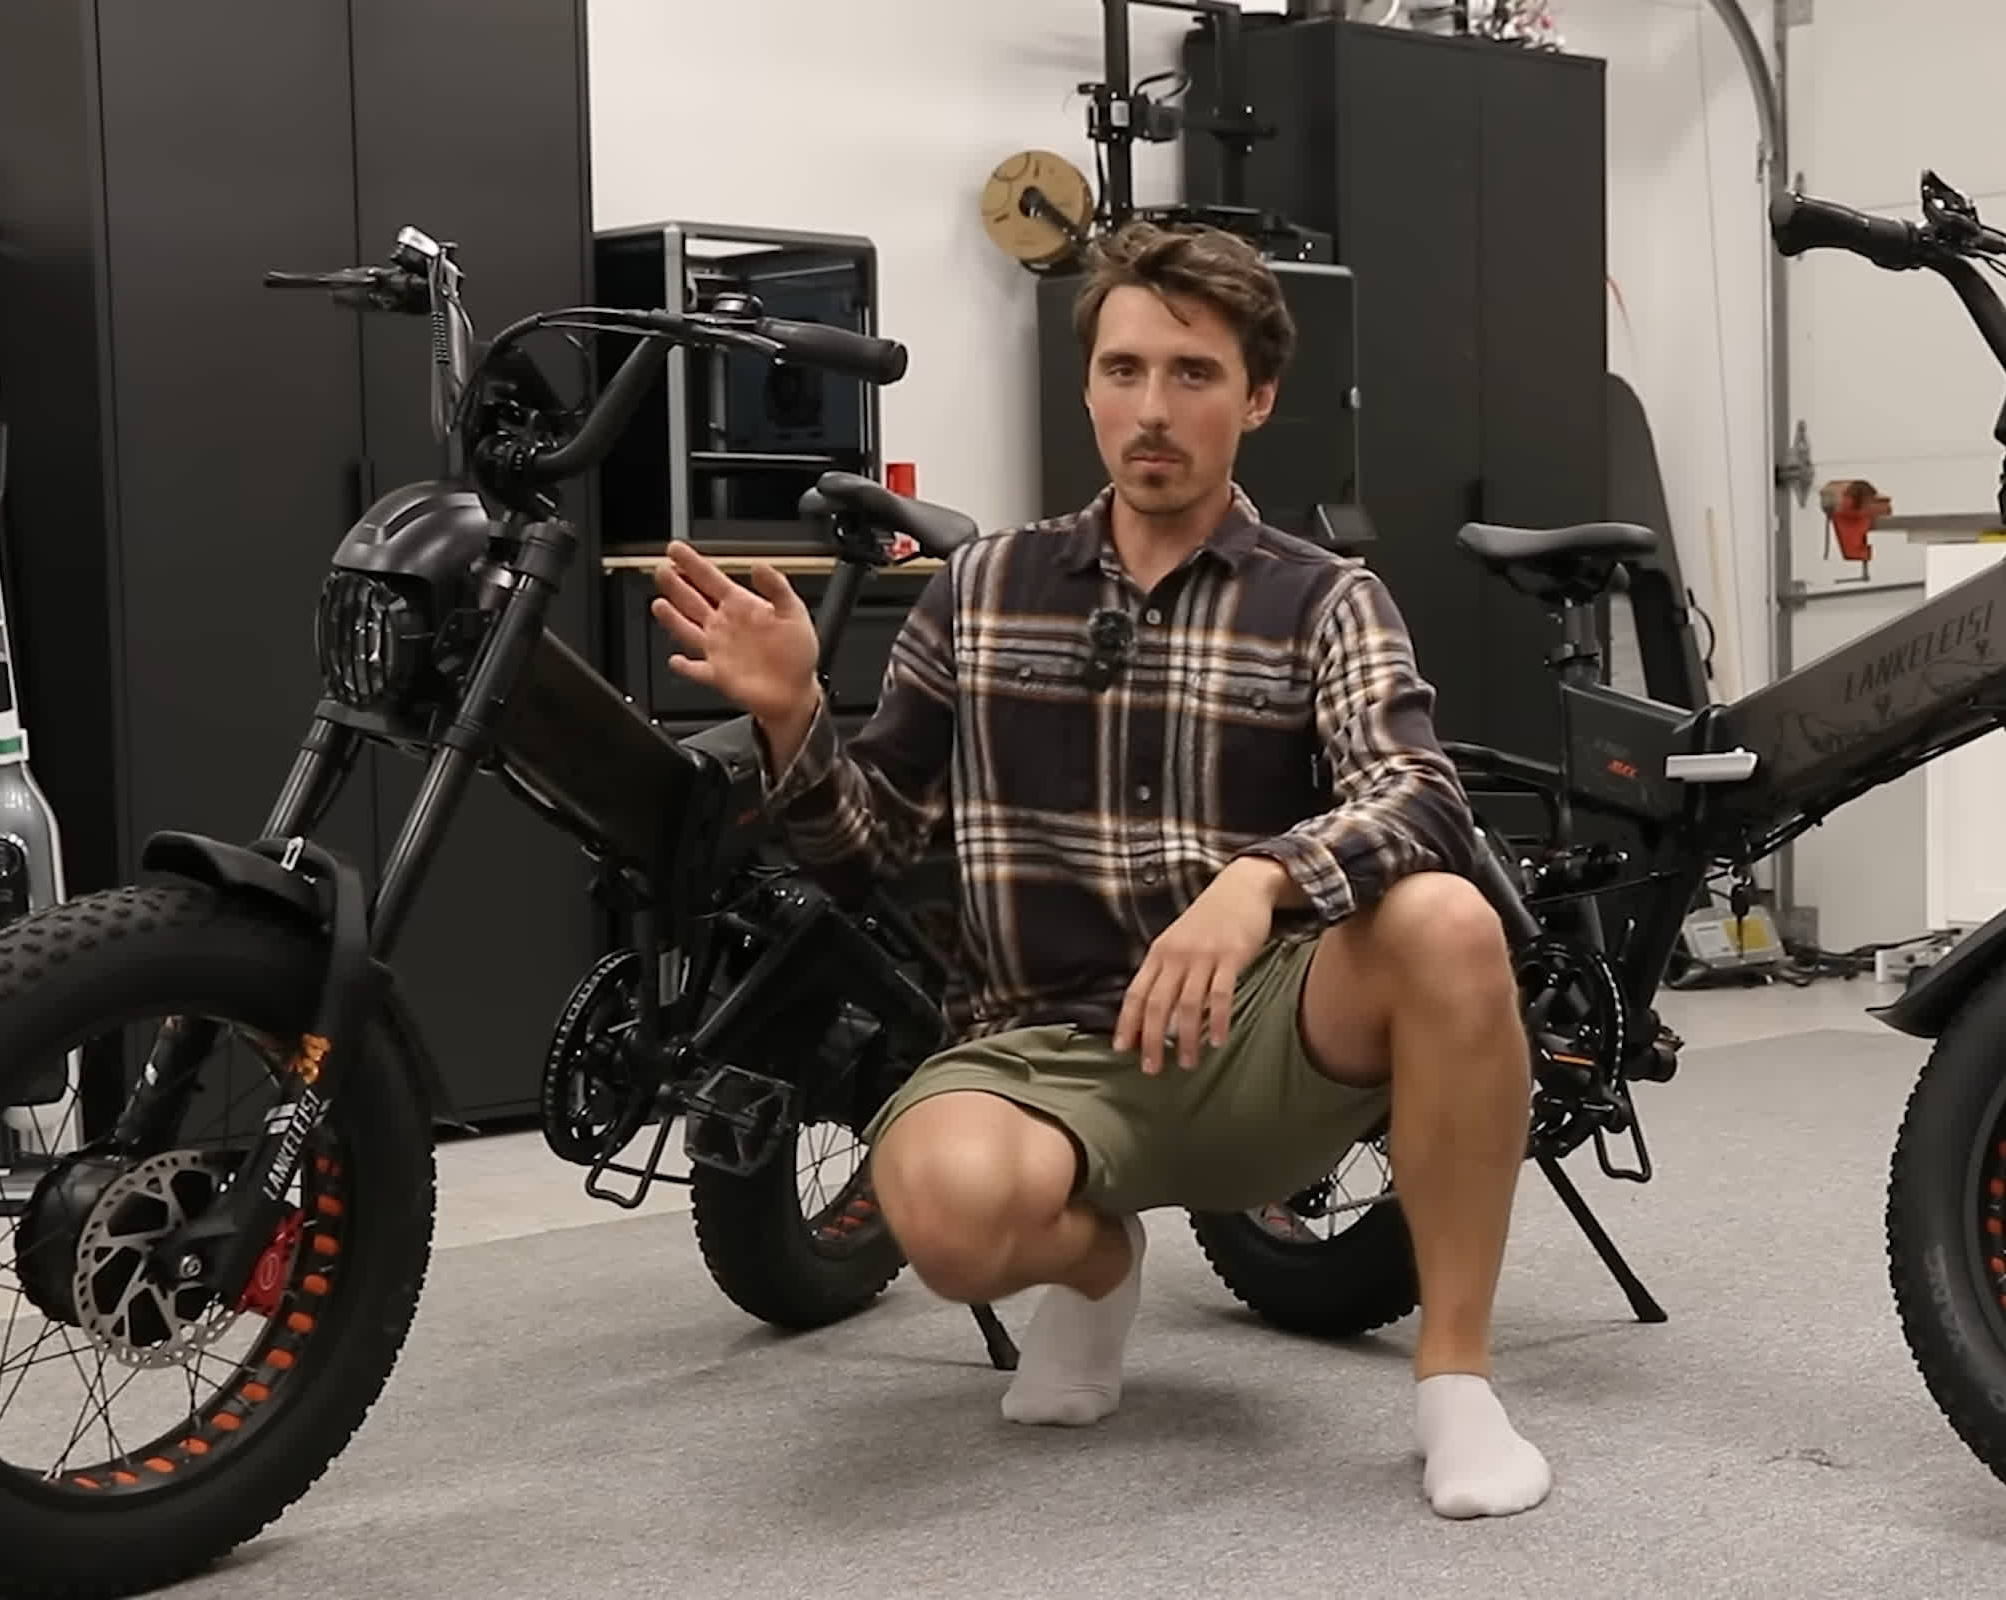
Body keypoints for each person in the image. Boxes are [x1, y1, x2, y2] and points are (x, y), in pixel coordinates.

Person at [648, 221, 1549, 1520]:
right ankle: (1095, 1271)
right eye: (1124, 370)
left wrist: (1259, 884)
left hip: (1256, 1037)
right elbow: (866, 853)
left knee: (1449, 921)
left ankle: (1457, 1383)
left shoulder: (1326, 597)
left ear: (1259, 397)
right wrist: (795, 716)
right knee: (940, 1214)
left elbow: (1422, 797)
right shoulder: (980, 589)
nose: (1153, 409)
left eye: (1194, 373)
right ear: (1088, 387)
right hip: (1037, 1050)